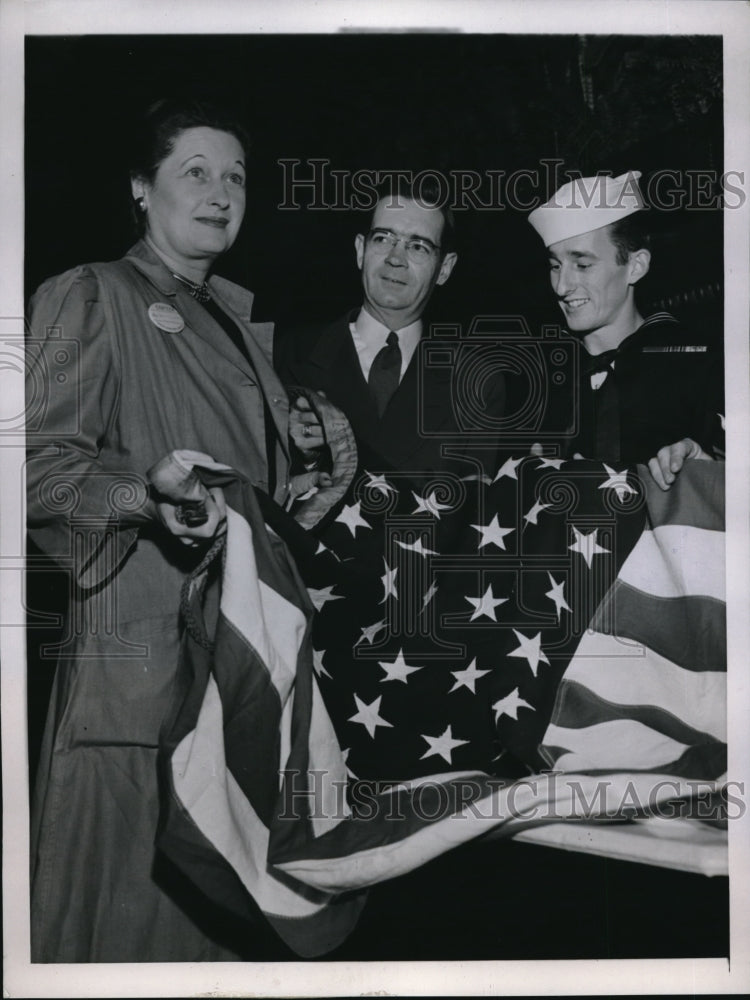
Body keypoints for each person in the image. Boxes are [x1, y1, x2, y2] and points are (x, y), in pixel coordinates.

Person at [25, 98, 325, 963]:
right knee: (123, 939)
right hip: (144, 680)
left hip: (235, 676)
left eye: (235, 176)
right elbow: (34, 471)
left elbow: (250, 500)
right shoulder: (92, 294)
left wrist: (311, 477)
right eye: (194, 170)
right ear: (140, 189)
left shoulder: (236, 321)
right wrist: (140, 498)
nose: (221, 190)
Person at [274, 179, 506, 478]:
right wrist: (306, 460)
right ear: (361, 250)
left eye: (418, 246)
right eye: (383, 238)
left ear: (444, 269)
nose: (396, 259)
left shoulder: (477, 384)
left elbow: (471, 514)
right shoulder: (285, 356)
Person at [527, 170, 724, 488]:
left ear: (636, 266)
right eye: (554, 265)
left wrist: (707, 469)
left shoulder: (702, 364)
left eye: (583, 265)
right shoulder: (535, 376)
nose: (562, 286)